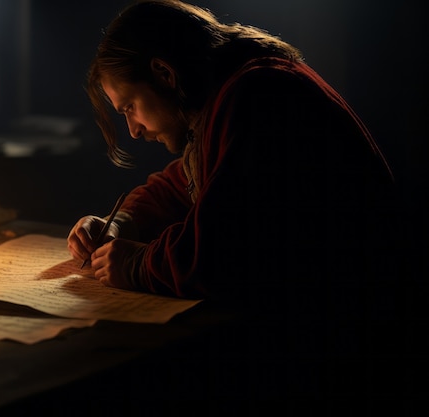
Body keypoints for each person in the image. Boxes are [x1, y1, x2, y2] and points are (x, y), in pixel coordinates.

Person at [67, 1, 413, 412]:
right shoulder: (227, 97)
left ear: (164, 72)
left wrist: (134, 266)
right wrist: (122, 221)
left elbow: (215, 254)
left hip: (348, 349)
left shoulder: (259, 94)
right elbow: (182, 184)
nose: (135, 130)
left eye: (129, 107)